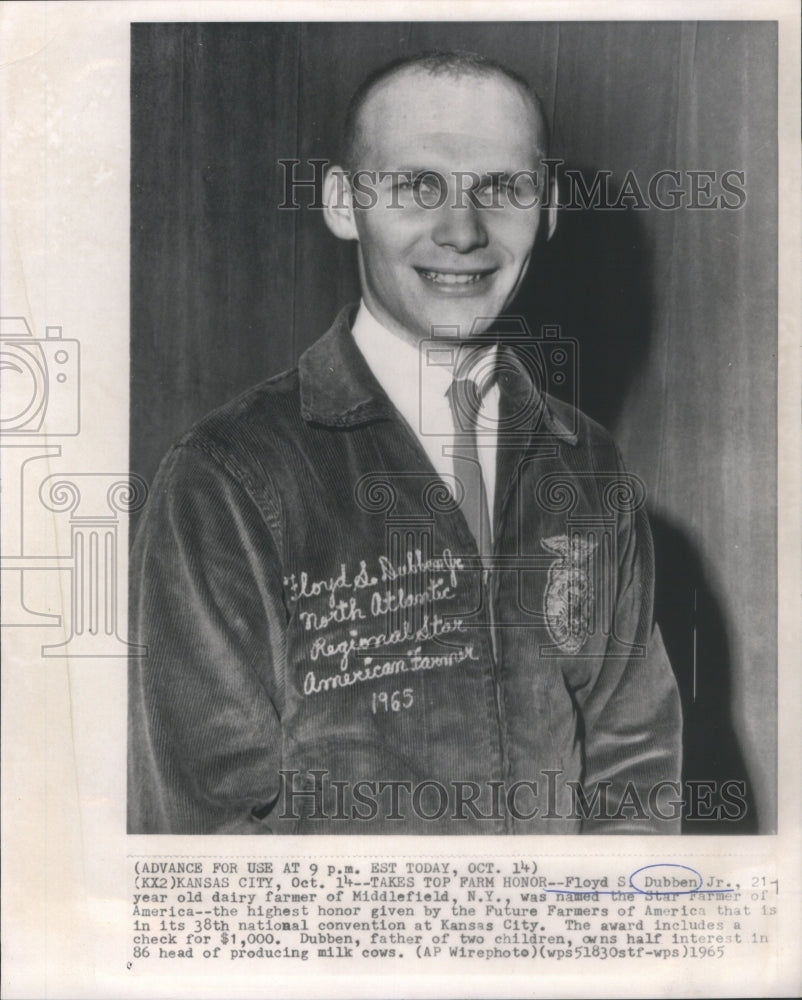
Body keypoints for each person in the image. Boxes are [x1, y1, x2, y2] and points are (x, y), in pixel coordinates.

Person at [128, 50, 682, 835]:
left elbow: (635, 772)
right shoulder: (225, 480)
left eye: (501, 187)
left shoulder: (588, 464)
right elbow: (206, 840)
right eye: (418, 186)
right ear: (342, 203)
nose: (462, 230)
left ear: (549, 209)